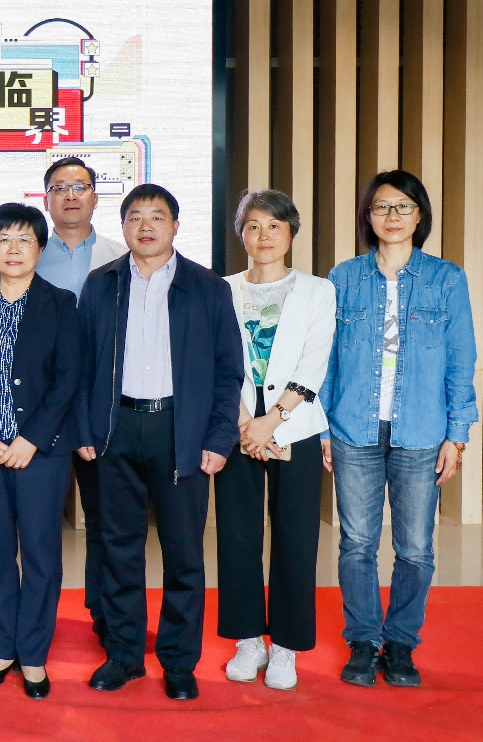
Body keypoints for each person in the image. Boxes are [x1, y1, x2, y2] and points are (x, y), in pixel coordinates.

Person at [77, 183, 243, 701]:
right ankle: (124, 655)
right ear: (123, 226)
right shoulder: (101, 284)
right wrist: (85, 429)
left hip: (181, 430)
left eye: (157, 216)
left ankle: (178, 661)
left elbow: (228, 371)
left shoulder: (207, 287)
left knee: (184, 554)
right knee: (118, 550)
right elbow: (81, 364)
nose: (145, 225)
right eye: (135, 216)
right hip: (116, 429)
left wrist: (219, 437)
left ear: (175, 225)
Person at [322, 170, 478, 688]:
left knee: (415, 548)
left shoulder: (446, 279)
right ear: (368, 217)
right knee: (356, 545)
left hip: (422, 431)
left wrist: (457, 434)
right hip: (353, 429)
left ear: (419, 215)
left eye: (403, 206)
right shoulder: (343, 277)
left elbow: (460, 359)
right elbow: (326, 361)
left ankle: (403, 643)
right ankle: (364, 641)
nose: (392, 216)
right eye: (382, 207)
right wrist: (322, 429)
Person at [0, 203, 81, 700]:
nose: (13, 249)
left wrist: (32, 439)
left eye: (24, 240)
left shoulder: (61, 303)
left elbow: (68, 378)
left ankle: (34, 654)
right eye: (3, 239)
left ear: (40, 249)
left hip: (39, 454)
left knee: (42, 553)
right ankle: (3, 648)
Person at [216, 189, 335, 691]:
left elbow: (314, 361)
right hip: (236, 429)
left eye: (274, 225)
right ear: (240, 234)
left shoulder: (317, 291)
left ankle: (286, 646)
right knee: (237, 537)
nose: (263, 235)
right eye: (253, 226)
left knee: (295, 537)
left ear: (291, 232)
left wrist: (272, 421)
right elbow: (216, 361)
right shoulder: (221, 290)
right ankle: (248, 641)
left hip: (296, 428)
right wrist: (246, 421)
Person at [33, 156, 127, 646]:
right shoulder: (25, 253)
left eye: (80, 186)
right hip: (39, 409)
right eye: (59, 187)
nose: (70, 195)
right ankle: (34, 621)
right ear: (45, 198)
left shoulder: (121, 256)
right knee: (38, 524)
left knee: (106, 519)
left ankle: (105, 613)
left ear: (95, 195)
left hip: (99, 407)